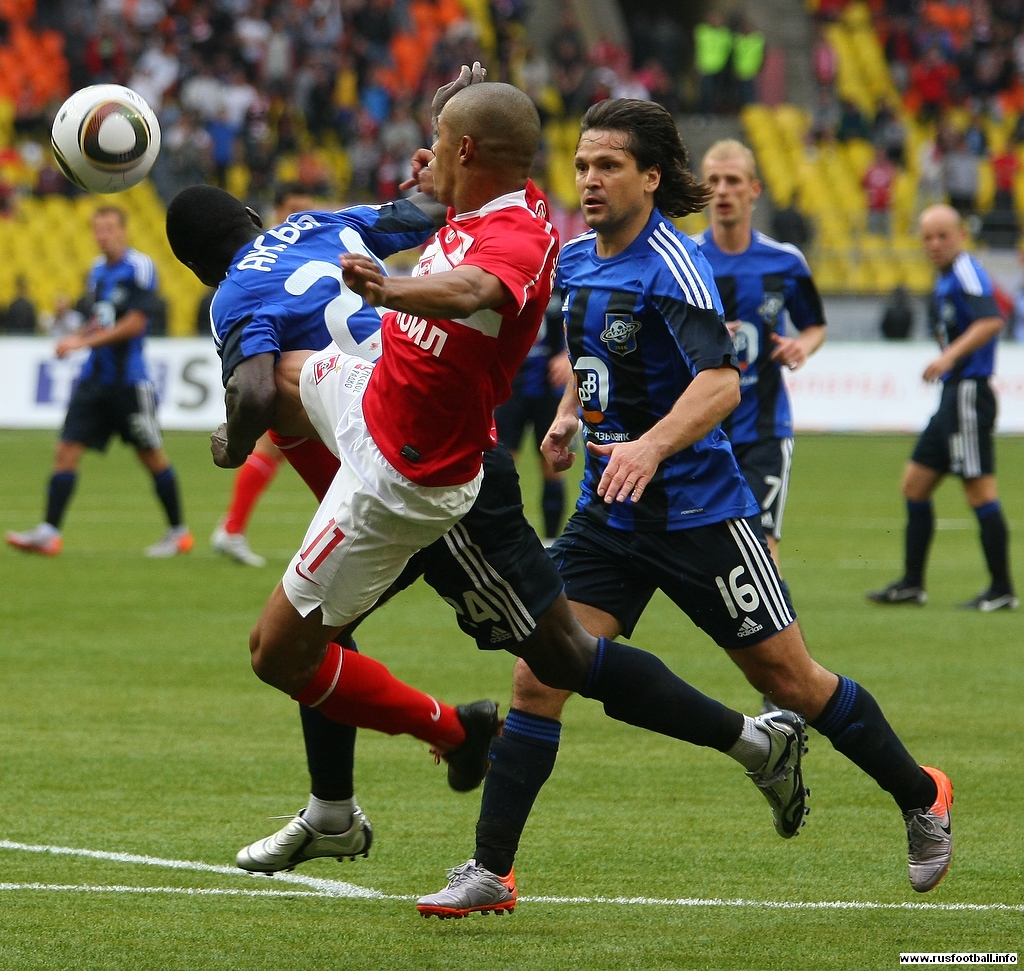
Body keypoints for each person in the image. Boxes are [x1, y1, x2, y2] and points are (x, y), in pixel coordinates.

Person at [166, 78, 810, 887]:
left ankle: (737, 739)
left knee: (559, 656)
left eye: (446, 142)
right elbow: (422, 210)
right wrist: (447, 136)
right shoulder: (322, 225)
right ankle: (334, 807)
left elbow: (259, 390)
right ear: (250, 216)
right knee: (314, 632)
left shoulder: (234, 296)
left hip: (427, 485)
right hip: (384, 455)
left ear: (194, 267)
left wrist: (231, 440)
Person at [419, 99, 954, 918]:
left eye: (608, 165)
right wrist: (569, 417)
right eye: (583, 165)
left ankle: (922, 794)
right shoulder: (576, 259)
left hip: (701, 512)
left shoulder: (673, 264)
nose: (590, 179)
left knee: (791, 679)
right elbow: (592, 361)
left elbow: (721, 382)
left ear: (650, 177)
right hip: (610, 513)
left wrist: (650, 446)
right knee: (539, 674)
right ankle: (492, 870)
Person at [6, 206, 192, 558]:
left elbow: (136, 323)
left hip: (129, 382)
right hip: (94, 379)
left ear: (123, 230)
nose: (102, 235)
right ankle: (49, 533)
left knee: (151, 455)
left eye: (108, 228)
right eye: (97, 229)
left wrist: (84, 343)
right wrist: (74, 336)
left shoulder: (139, 267)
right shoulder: (96, 270)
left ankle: (178, 532)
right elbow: (98, 320)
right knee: (66, 450)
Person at [868, 204, 1016, 611]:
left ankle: (1002, 589)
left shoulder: (966, 271)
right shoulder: (946, 278)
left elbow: (992, 320)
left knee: (979, 490)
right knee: (914, 485)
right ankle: (912, 584)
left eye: (942, 236)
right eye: (927, 237)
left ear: (961, 236)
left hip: (968, 393)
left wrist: (948, 357)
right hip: (952, 395)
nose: (934, 244)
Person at [695, 139, 826, 576]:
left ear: (754, 189)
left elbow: (815, 326)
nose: (722, 190)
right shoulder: (686, 261)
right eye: (713, 181)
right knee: (707, 553)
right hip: (701, 429)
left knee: (761, 549)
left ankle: (778, 623)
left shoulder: (785, 262)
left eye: (733, 180)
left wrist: (801, 346)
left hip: (764, 430)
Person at [210, 184, 323, 568]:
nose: (298, 217)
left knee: (276, 450)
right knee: (277, 446)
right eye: (292, 209)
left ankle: (232, 528)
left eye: (305, 209)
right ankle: (232, 528)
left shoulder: (306, 245)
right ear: (274, 212)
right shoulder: (262, 262)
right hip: (282, 368)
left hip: (312, 367)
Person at [493, 294, 572, 542]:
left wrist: (568, 354)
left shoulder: (565, 279)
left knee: (552, 465)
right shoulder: (508, 281)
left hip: (551, 387)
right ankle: (502, 541)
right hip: (511, 384)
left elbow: (581, 317)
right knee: (501, 467)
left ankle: (551, 542)